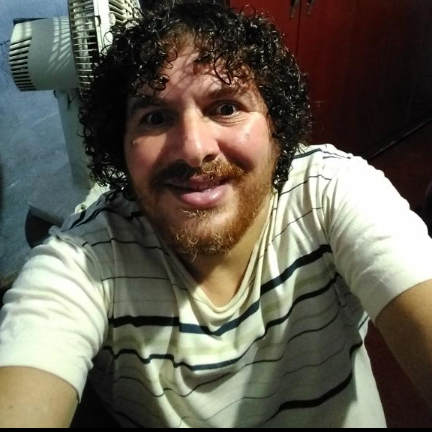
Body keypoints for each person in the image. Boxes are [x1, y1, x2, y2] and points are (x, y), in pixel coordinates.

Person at [0, 0, 432, 427]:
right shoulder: (83, 263)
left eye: (226, 108)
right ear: (121, 146)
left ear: (277, 128)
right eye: (155, 117)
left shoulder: (332, 193)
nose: (194, 149)